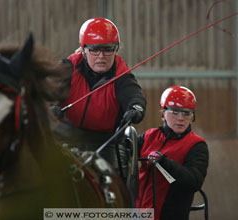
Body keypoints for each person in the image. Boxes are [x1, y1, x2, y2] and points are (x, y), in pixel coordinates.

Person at [53, 17, 146, 182]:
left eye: (108, 50)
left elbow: (134, 96)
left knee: (109, 185)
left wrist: (136, 109)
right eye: (95, 50)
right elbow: (47, 88)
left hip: (104, 142)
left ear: (116, 50)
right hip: (66, 136)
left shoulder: (122, 77)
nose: (101, 56)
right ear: (84, 50)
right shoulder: (68, 68)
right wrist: (50, 106)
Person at [136, 86, 209, 220]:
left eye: (186, 113)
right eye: (175, 112)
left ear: (192, 117)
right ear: (163, 114)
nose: (180, 118)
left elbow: (194, 182)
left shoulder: (197, 145)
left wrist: (165, 162)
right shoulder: (148, 137)